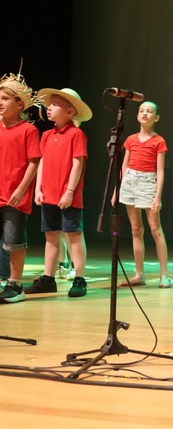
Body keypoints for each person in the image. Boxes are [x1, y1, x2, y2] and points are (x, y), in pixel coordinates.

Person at [25, 88, 91, 298]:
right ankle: (48, 278)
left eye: (55, 105)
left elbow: (77, 164)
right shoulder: (46, 135)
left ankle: (79, 278)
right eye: (49, 104)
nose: (49, 108)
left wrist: (69, 191)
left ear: (69, 111)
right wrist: (38, 188)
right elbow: (42, 162)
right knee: (51, 235)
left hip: (67, 195)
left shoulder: (76, 134)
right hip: (49, 194)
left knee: (74, 235)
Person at [118, 101, 172, 288]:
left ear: (156, 117)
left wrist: (157, 196)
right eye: (142, 111)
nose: (145, 114)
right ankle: (139, 274)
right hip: (130, 181)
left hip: (148, 182)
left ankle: (164, 275)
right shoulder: (131, 139)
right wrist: (119, 188)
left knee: (155, 228)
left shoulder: (159, 141)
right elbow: (124, 166)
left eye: (149, 111)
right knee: (136, 229)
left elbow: (160, 171)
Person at [0, 72, 42, 303]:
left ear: (19, 104)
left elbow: (33, 162)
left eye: (5, 99)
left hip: (14, 196)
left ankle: (15, 285)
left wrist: (21, 189)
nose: (0, 103)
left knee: (14, 241)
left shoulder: (28, 130)